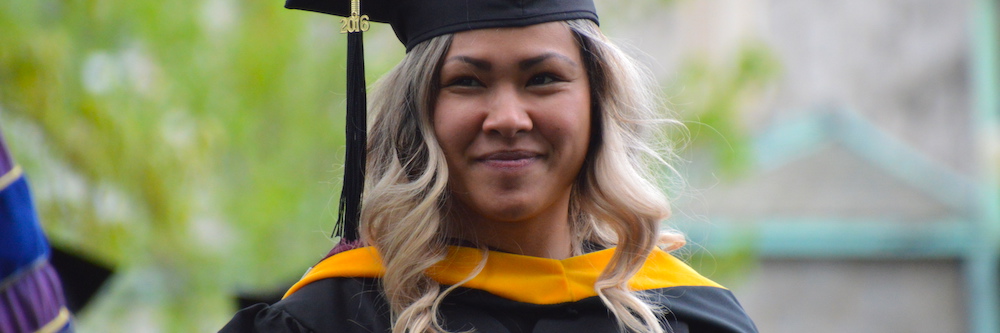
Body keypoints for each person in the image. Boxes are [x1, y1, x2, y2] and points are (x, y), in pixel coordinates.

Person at [221, 0, 758, 332]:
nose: (507, 117)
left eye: (543, 78)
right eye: (467, 82)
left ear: (597, 103)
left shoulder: (689, 319)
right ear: (419, 113)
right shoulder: (325, 322)